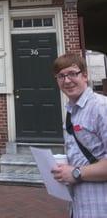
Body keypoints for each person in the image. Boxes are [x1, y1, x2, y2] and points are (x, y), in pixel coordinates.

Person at [51, 53, 107, 218]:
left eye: (72, 74)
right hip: (80, 205)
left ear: (85, 75)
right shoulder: (71, 112)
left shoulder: (101, 107)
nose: (67, 81)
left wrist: (75, 172)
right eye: (61, 76)